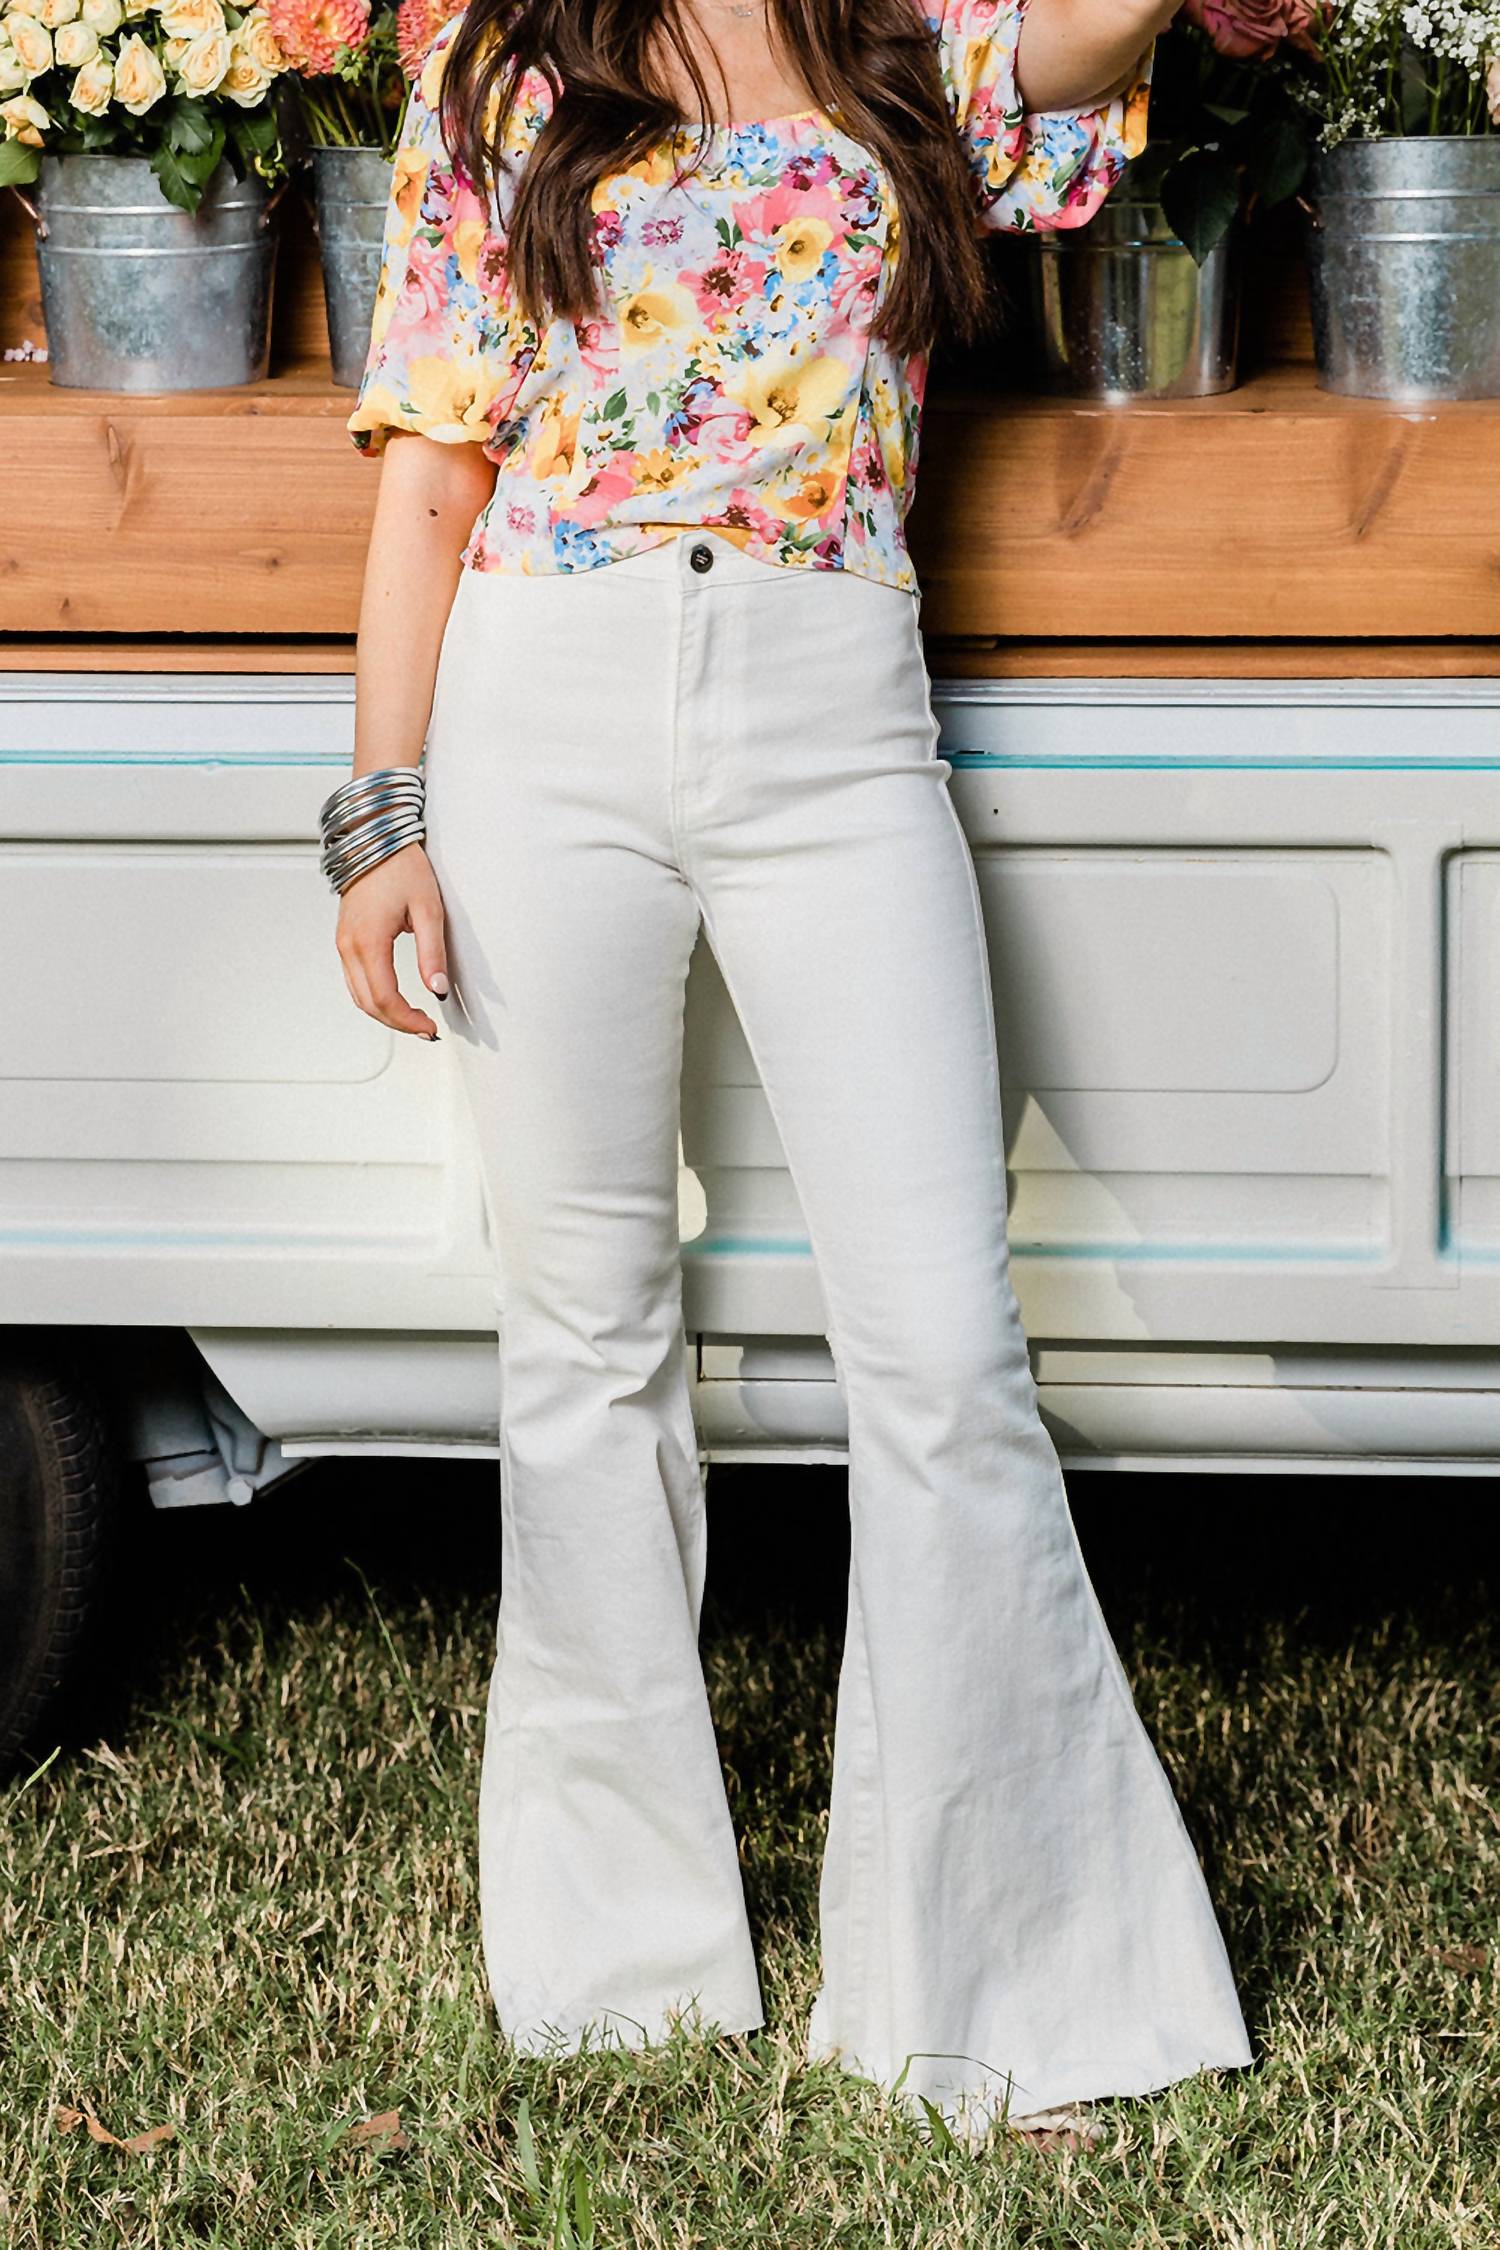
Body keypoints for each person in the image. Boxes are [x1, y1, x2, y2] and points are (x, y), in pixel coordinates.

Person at [326, 0, 1254, 2152]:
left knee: (943, 1348)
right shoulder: (501, 65)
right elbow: (434, 465)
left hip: (834, 704)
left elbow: (1105, 32)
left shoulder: (913, 43)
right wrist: (380, 816)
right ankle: (616, 1972)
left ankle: (1000, 1994)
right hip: (541, 705)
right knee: (582, 1336)